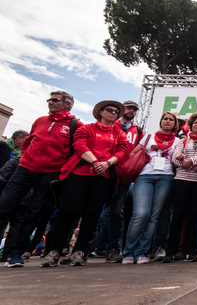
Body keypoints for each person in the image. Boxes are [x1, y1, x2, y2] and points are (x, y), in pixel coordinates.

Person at [41, 100, 127, 267]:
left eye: (116, 112)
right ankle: (55, 250)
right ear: (100, 112)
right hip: (78, 174)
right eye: (110, 110)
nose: (113, 113)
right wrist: (95, 162)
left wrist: (107, 164)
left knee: (92, 213)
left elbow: (122, 151)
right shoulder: (86, 128)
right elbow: (79, 145)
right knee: (68, 211)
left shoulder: (119, 134)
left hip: (104, 177)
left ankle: (80, 251)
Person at [1, 91, 83, 268]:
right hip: (25, 169)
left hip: (50, 174)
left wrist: (60, 168)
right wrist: (24, 158)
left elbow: (77, 150)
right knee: (3, 206)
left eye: (55, 100)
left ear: (68, 104)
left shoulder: (75, 125)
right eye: (50, 99)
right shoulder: (40, 121)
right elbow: (28, 142)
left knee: (33, 213)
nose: (50, 103)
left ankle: (16, 254)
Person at [119, 112, 179, 265]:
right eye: (165, 119)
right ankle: (128, 252)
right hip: (145, 176)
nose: (167, 121)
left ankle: (141, 252)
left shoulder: (178, 141)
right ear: (161, 121)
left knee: (154, 216)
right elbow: (133, 153)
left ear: (175, 124)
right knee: (140, 214)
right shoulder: (148, 137)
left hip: (166, 177)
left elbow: (177, 160)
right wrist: (145, 155)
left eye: (171, 120)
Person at [162, 113, 197, 263]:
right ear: (190, 125)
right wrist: (183, 162)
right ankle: (171, 251)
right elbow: (175, 158)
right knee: (178, 215)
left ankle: (191, 251)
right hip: (182, 180)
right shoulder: (182, 140)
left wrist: (189, 161)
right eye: (195, 123)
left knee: (194, 215)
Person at [105, 100, 143, 262]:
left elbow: (138, 151)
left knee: (118, 212)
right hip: (105, 171)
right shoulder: (110, 125)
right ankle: (87, 247)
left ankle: (114, 248)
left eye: (135, 109)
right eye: (129, 108)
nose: (131, 111)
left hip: (124, 176)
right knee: (98, 212)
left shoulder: (138, 130)